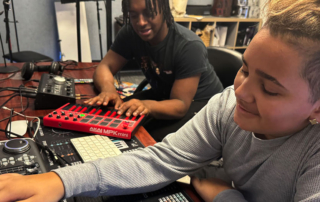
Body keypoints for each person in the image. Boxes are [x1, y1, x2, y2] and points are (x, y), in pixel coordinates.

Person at [1, 0, 320, 201]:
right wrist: (60, 180)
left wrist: (225, 195)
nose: (240, 91)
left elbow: (180, 105)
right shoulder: (227, 105)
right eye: (245, 70)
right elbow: (159, 160)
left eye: (271, 89)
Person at [83, 0, 223, 141]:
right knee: (114, 116)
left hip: (201, 104)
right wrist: (108, 90)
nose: (141, 22)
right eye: (133, 15)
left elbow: (180, 104)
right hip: (164, 94)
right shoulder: (130, 33)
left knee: (145, 139)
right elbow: (104, 67)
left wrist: (147, 106)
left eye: (149, 14)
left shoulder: (189, 46)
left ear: (164, 11)